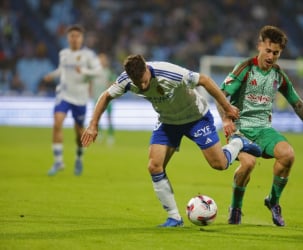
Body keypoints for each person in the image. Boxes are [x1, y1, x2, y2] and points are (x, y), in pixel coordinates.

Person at [81, 54, 262, 227]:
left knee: (219, 164)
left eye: (144, 80)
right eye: (138, 83)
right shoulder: (126, 80)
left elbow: (205, 80)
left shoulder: (170, 73)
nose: (143, 86)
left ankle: (238, 143)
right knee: (154, 166)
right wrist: (93, 124)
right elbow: (106, 96)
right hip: (168, 122)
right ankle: (174, 217)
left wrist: (227, 107)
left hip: (196, 118)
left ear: (146, 68)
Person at [218, 25, 303, 226]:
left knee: (288, 155)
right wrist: (227, 120)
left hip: (263, 130)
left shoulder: (278, 76)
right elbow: (221, 98)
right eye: (268, 50)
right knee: (249, 164)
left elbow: (297, 104)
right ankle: (236, 207)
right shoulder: (244, 68)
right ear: (259, 46)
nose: (271, 56)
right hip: (240, 129)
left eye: (276, 53)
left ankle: (273, 201)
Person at [44, 24, 102, 176]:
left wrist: (84, 71)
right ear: (68, 38)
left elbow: (98, 71)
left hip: (80, 98)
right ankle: (58, 162)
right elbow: (62, 69)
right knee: (57, 123)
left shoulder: (88, 55)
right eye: (72, 36)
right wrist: (52, 75)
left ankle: (79, 157)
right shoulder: (64, 53)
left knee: (79, 134)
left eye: (77, 36)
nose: (74, 39)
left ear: (82, 38)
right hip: (63, 94)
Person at [90, 53, 115, 145]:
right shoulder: (95, 72)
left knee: (109, 118)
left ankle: (110, 136)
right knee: (96, 118)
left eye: (103, 60)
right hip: (96, 99)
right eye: (100, 60)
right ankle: (99, 135)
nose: (102, 61)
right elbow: (91, 83)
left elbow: (113, 83)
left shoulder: (109, 72)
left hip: (106, 99)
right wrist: (91, 92)